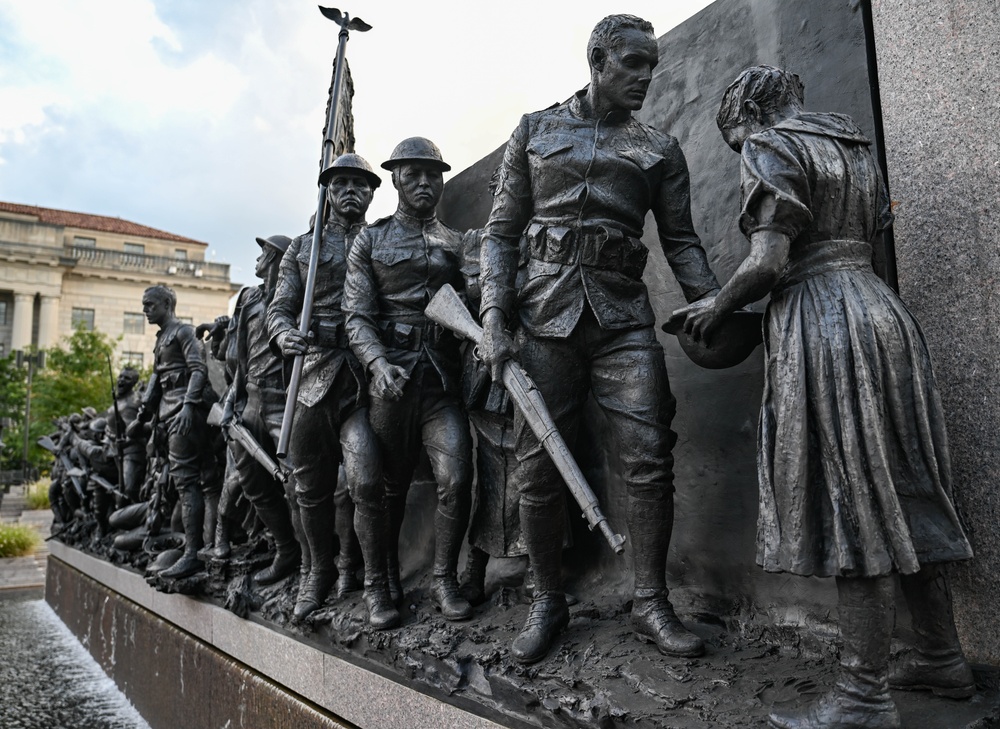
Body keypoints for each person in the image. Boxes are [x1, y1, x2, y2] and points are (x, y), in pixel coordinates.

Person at [680, 65, 974, 729]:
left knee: (854, 500)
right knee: (906, 489)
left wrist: (714, 307)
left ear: (744, 114)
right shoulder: (853, 145)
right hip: (882, 313)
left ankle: (864, 694)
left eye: (734, 140)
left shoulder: (771, 143)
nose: (738, 152)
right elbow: (868, 234)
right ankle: (941, 654)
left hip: (825, 321)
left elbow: (769, 262)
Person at [477, 15, 720, 665]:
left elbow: (683, 243)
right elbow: (501, 232)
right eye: (632, 63)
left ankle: (650, 600)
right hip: (541, 317)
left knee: (648, 452)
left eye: (652, 64)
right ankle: (547, 598)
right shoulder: (535, 128)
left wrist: (715, 304)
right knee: (536, 466)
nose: (645, 76)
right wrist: (495, 315)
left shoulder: (659, 149)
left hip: (622, 319)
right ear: (598, 59)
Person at [344, 137, 474, 623]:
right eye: (414, 174)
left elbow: (476, 301)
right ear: (396, 178)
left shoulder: (456, 243)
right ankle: (380, 584)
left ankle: (444, 579)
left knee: (457, 480)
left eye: (433, 174)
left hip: (442, 382)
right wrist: (378, 364)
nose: (425, 182)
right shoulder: (371, 241)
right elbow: (356, 316)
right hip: (391, 382)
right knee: (386, 488)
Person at [268, 153, 394, 627]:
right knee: (310, 488)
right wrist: (284, 334)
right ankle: (315, 573)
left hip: (361, 380)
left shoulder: (381, 240)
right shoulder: (302, 248)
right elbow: (278, 309)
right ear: (327, 191)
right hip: (312, 376)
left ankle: (375, 583)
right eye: (340, 183)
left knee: (364, 481)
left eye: (359, 185)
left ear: (372, 192)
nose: (350, 191)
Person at [217, 233, 302, 586]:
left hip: (285, 400)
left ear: (279, 259)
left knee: (300, 481)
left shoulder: (296, 297)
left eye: (265, 251)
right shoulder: (248, 299)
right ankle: (286, 550)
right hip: (250, 399)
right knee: (252, 481)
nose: (259, 257)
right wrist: (231, 401)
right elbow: (237, 357)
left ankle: (321, 560)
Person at [130, 284, 210, 579]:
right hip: (166, 415)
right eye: (144, 305)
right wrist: (142, 416)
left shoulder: (183, 332)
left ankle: (192, 553)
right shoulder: (162, 337)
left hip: (183, 416)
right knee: (182, 484)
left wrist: (189, 407)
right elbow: (156, 380)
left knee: (187, 483)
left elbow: (198, 370)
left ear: (166, 303)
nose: (145, 310)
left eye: (150, 305)